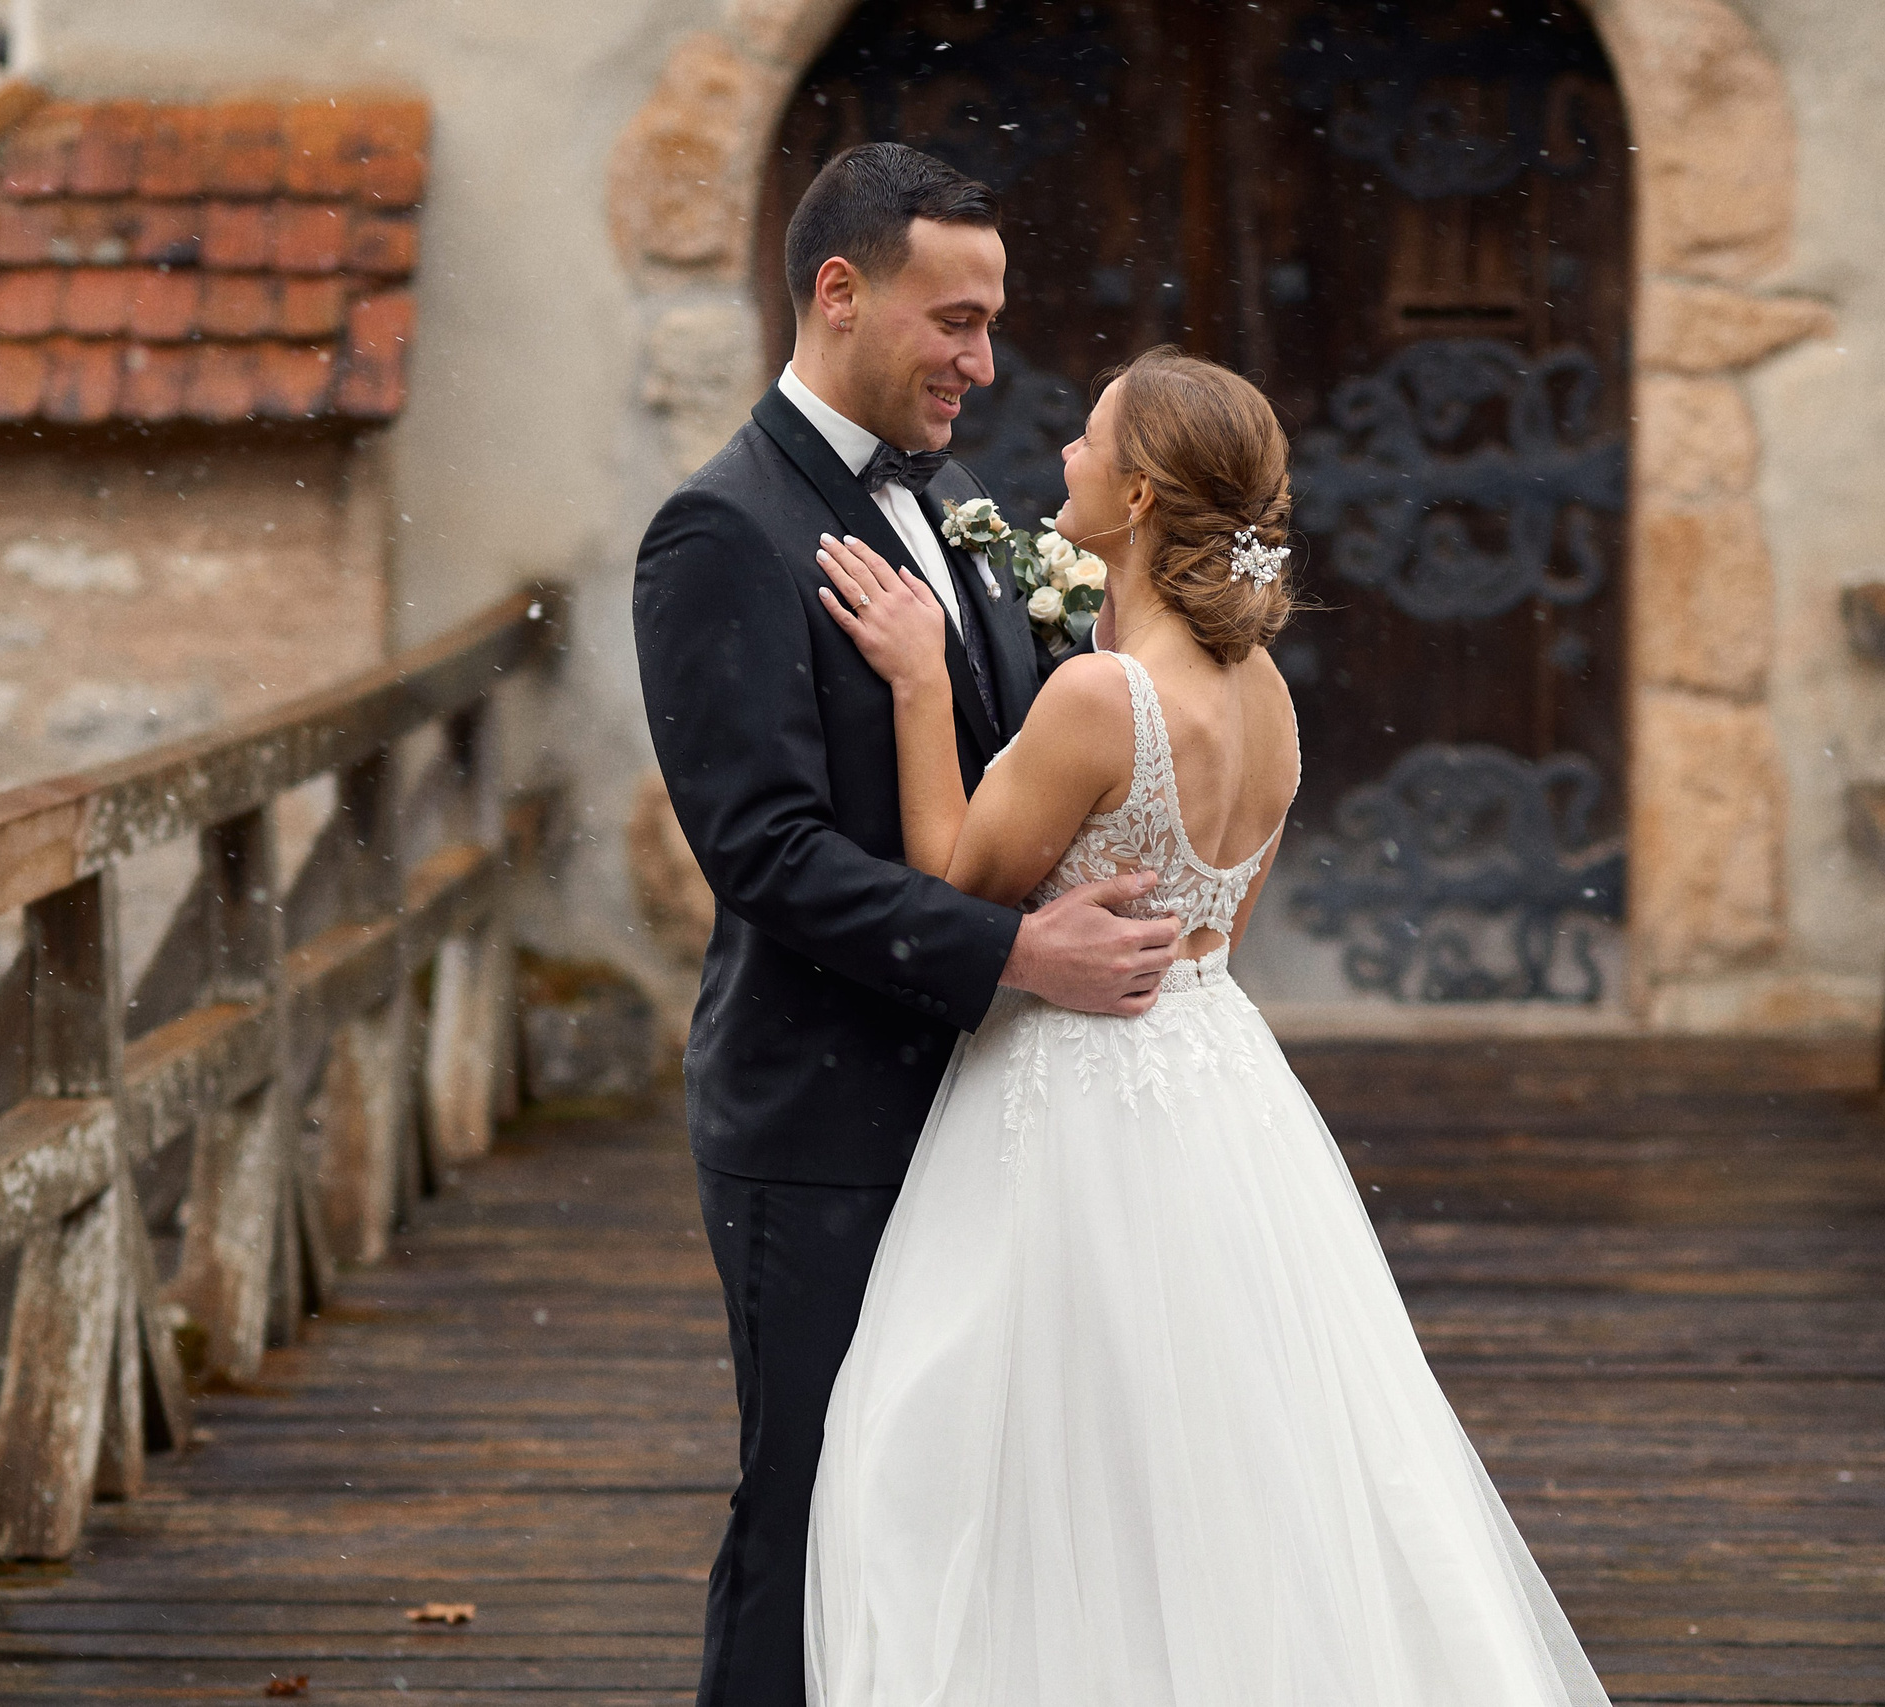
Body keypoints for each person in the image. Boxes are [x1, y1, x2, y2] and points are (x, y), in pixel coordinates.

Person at [800, 346, 1612, 1707]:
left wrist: (923, 684)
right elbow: (1211, 943)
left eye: (1087, 438)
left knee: (1000, 1457)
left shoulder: (1095, 700)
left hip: (1069, 1096)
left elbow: (950, 885)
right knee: (1233, 1453)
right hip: (1222, 1092)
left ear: (1137, 498)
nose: (1062, 453)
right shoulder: (1269, 704)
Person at [631, 143, 1183, 1707]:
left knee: (963, 1512)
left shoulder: (958, 509)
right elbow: (768, 856)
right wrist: (1018, 957)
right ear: (837, 292)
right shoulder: (719, 533)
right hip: (824, 1115)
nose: (982, 361)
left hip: (996, 1116)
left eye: (993, 321)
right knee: (809, 1506)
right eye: (954, 320)